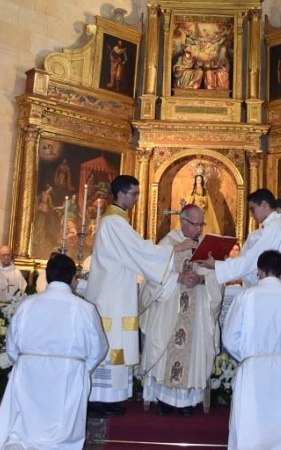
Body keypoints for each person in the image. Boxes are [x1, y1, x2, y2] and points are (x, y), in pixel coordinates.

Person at [85, 175, 198, 416]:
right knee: (112, 341)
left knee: (118, 342)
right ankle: (98, 398)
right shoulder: (114, 222)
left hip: (118, 290)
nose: (136, 199)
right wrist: (174, 248)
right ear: (121, 194)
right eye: (134, 194)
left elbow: (136, 252)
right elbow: (140, 249)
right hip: (110, 294)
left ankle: (111, 396)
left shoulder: (117, 221)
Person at [0, 254, 108, 450]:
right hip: (68, 376)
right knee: (61, 436)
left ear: (47, 275)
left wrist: (26, 364)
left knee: (23, 432)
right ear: (72, 279)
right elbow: (99, 348)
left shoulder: (27, 305)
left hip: (28, 375)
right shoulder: (85, 309)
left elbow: (12, 346)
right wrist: (80, 369)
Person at [222, 250, 281, 450]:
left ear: (259, 271)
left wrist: (249, 357)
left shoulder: (245, 297)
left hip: (252, 370)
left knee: (249, 428)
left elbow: (230, 339)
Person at [140, 204, 223, 416]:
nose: (199, 229)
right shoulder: (167, 244)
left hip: (197, 311)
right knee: (166, 347)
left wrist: (202, 278)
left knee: (193, 351)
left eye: (202, 224)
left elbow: (217, 278)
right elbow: (152, 275)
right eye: (195, 224)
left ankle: (187, 402)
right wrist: (177, 277)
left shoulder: (208, 246)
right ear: (183, 222)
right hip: (170, 309)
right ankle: (164, 401)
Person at [197, 188, 281, 289]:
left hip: (278, 287)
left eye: (252, 209)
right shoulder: (275, 225)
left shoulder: (276, 226)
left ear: (264, 204)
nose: (251, 215)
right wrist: (227, 262)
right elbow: (253, 261)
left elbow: (255, 259)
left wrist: (217, 265)